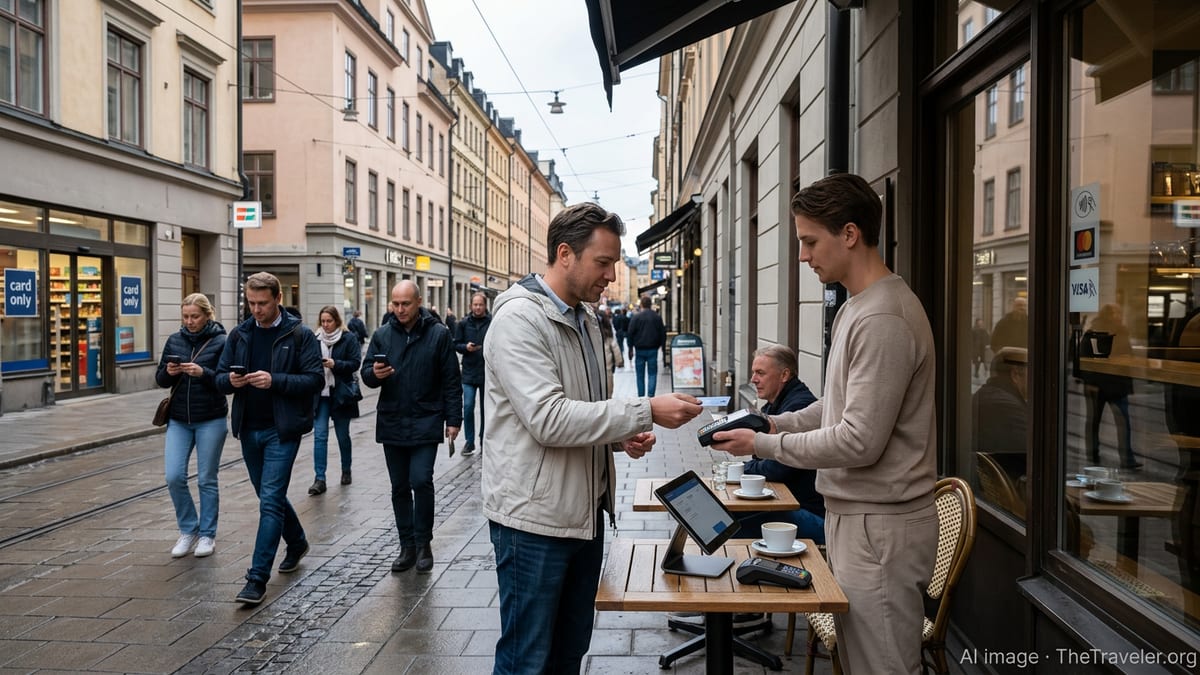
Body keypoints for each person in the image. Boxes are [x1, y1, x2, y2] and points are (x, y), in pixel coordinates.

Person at [712, 173, 938, 675]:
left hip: (880, 525)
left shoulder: (883, 318)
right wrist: (771, 425)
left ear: (850, 234)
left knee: (882, 666)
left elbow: (859, 440)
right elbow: (835, 409)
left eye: (809, 240)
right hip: (861, 519)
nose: (802, 254)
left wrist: (768, 444)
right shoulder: (858, 308)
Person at [482, 201, 704, 674]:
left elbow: (581, 407)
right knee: (527, 658)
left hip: (583, 514)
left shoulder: (584, 317)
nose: (611, 274)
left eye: (615, 263)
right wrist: (644, 410)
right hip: (534, 520)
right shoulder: (520, 319)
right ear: (565, 254)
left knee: (568, 651)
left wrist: (618, 439)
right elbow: (548, 417)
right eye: (603, 262)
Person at [217, 272, 324, 606]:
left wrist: (274, 380)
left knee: (270, 500)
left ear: (278, 298)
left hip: (283, 429)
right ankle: (296, 541)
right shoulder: (240, 334)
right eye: (251, 303)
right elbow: (219, 377)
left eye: (262, 303)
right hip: (249, 427)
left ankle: (256, 579)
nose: (256, 310)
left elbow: (314, 380)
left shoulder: (300, 334)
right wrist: (230, 382)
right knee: (269, 496)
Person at [362, 280, 462, 574]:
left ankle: (423, 543)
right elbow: (366, 373)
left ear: (419, 302)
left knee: (421, 480)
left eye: (405, 303)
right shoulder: (382, 335)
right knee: (399, 486)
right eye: (395, 303)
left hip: (426, 418)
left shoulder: (438, 334)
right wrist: (375, 374)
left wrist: (453, 419)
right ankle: (406, 546)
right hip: (392, 419)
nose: (400, 309)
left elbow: (451, 380)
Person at [155, 293, 228, 559]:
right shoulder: (175, 339)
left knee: (207, 479)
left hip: (211, 418)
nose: (189, 321)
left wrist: (203, 373)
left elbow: (226, 381)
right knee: (173, 476)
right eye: (185, 316)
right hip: (178, 420)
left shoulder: (221, 341)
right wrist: (169, 373)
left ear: (208, 315)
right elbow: (160, 379)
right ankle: (189, 529)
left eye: (195, 316)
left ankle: (207, 535)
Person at [734, 345, 823, 543]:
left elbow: (777, 468)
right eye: (753, 373)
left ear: (784, 375)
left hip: (812, 515)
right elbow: (763, 461)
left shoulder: (798, 406)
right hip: (790, 503)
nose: (753, 379)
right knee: (729, 513)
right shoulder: (774, 403)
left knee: (733, 522)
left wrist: (743, 469)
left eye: (760, 373)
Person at [308, 306, 362, 495]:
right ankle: (319, 478)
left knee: (342, 435)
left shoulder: (348, 338)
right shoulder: (315, 339)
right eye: (322, 321)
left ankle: (346, 469)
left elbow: (355, 363)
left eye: (329, 321)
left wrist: (335, 364)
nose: (325, 325)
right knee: (320, 436)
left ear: (337, 321)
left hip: (341, 394)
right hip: (320, 395)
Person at [1082, 303, 1139, 468]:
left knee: (1118, 422)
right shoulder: (1096, 332)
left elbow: (1128, 356)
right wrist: (1091, 382)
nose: (1119, 316)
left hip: (1113, 385)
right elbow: (1084, 360)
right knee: (1097, 422)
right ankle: (1096, 456)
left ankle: (1124, 458)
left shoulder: (1120, 331)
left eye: (1119, 312)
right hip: (1102, 385)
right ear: (1108, 314)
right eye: (1116, 313)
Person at [973, 346, 1029, 479]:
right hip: (1007, 485)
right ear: (1015, 374)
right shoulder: (1005, 406)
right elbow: (1036, 454)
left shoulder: (986, 395)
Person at [454, 292, 490, 456]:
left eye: (480, 304)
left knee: (486, 409)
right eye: (475, 304)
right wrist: (465, 347)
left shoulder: (492, 322)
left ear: (485, 305)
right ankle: (469, 441)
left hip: (486, 372)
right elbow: (456, 344)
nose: (477, 307)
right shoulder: (463, 323)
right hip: (468, 371)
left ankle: (484, 440)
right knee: (468, 407)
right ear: (471, 306)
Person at [627, 294, 667, 396]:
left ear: (641, 305)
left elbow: (630, 333)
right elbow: (662, 332)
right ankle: (651, 397)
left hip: (639, 350)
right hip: (653, 349)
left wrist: (630, 348)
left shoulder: (636, 317)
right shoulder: (657, 317)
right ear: (650, 305)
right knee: (652, 373)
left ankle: (641, 397)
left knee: (640, 375)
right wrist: (662, 346)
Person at [595, 304, 624, 394]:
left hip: (595, 367)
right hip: (607, 367)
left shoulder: (592, 334)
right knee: (608, 391)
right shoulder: (608, 335)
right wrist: (619, 362)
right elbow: (615, 347)